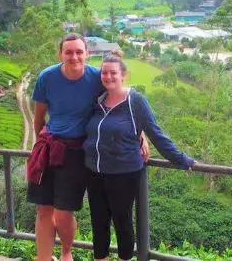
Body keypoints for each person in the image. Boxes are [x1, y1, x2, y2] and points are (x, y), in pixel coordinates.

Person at [26, 34, 150, 261]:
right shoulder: (47, 77)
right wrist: (38, 147)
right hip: (49, 147)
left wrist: (140, 135)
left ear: (87, 54)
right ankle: (43, 258)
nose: (74, 57)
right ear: (60, 54)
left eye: (79, 52)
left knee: (63, 213)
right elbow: (39, 118)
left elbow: (123, 102)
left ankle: (66, 251)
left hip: (76, 152)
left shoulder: (96, 78)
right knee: (43, 209)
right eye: (68, 52)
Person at [83, 50, 195, 261]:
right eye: (104, 73)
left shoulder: (136, 101)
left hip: (123, 173)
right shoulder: (97, 102)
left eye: (113, 73)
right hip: (94, 172)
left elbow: (157, 134)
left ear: (123, 75)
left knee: (122, 222)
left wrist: (181, 159)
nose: (108, 77)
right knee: (98, 222)